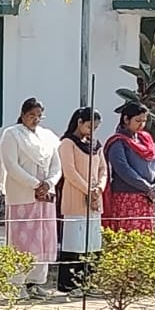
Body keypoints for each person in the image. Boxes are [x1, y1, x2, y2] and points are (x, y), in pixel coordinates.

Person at [0, 98, 62, 297]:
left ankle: (36, 282)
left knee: (43, 239)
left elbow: (57, 166)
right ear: (23, 115)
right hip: (22, 196)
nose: (35, 119)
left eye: (39, 116)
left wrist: (48, 183)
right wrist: (35, 184)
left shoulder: (48, 137)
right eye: (31, 115)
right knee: (22, 241)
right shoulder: (12, 134)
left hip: (44, 198)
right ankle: (17, 283)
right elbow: (11, 165)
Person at [56, 108, 108, 295]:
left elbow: (103, 169)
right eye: (89, 126)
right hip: (75, 199)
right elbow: (69, 171)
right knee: (75, 242)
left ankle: (89, 281)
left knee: (93, 241)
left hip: (94, 200)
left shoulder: (96, 144)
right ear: (79, 122)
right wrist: (88, 189)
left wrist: (99, 188)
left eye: (96, 127)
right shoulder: (67, 143)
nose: (92, 130)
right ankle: (71, 284)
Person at [102, 103, 155, 233]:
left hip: (147, 198)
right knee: (129, 236)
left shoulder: (146, 139)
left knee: (145, 238)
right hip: (127, 197)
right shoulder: (118, 142)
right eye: (138, 121)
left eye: (144, 121)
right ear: (126, 119)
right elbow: (123, 170)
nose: (142, 124)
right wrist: (147, 187)